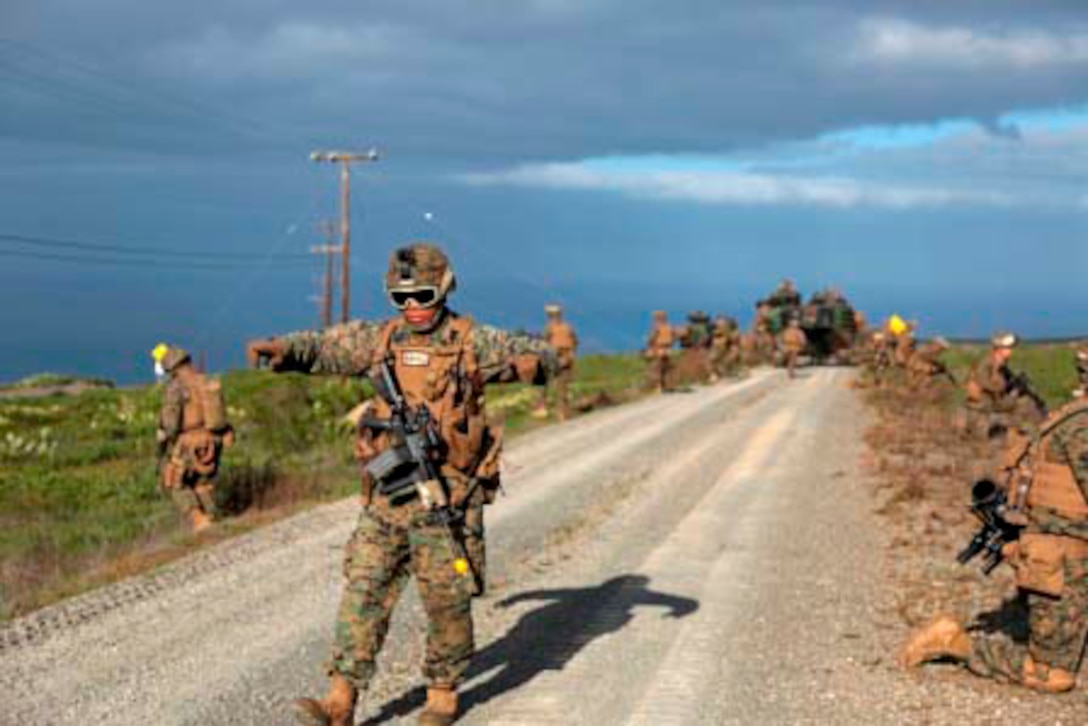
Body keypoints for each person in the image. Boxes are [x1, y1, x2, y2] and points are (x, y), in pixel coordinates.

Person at [283, 242, 556, 726]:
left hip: (447, 493)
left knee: (446, 598)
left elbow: (545, 355)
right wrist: (285, 352)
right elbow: (327, 348)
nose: (411, 306)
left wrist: (531, 365)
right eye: (400, 297)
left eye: (422, 295)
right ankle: (339, 701)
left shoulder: (473, 342)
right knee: (364, 587)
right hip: (390, 490)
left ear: (444, 288)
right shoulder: (381, 339)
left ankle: (442, 694)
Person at [900, 346, 1088, 693]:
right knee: (1051, 676)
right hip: (1062, 562)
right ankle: (955, 642)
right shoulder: (1081, 428)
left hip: (1067, 551)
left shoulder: (1074, 416)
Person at [153, 344, 233, 533]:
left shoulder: (175, 388)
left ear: (171, 367)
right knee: (202, 484)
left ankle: (199, 520)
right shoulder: (205, 380)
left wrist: (163, 437)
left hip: (189, 443)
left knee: (175, 483)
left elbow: (171, 425)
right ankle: (212, 518)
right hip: (213, 440)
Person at [964, 332, 1046, 438]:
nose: (1010, 350)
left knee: (1026, 400)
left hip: (994, 400)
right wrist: (1009, 390)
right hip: (986, 403)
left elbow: (1007, 380)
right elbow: (982, 382)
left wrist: (1016, 384)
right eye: (1007, 348)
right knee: (1025, 403)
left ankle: (1033, 427)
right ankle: (1019, 427)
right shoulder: (987, 363)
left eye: (1010, 347)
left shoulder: (1001, 364)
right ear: (999, 349)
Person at [533, 304, 578, 421]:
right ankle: (562, 412)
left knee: (543, 380)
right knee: (562, 385)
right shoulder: (568, 327)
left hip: (556, 357)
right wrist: (572, 354)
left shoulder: (549, 328)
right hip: (567, 357)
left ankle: (542, 407)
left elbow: (543, 344)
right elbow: (575, 342)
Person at [644, 310, 675, 393]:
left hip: (658, 348)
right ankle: (668, 385)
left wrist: (648, 344)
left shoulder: (656, 327)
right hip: (668, 349)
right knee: (666, 367)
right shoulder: (669, 327)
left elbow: (651, 338)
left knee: (657, 368)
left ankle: (659, 386)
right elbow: (673, 338)